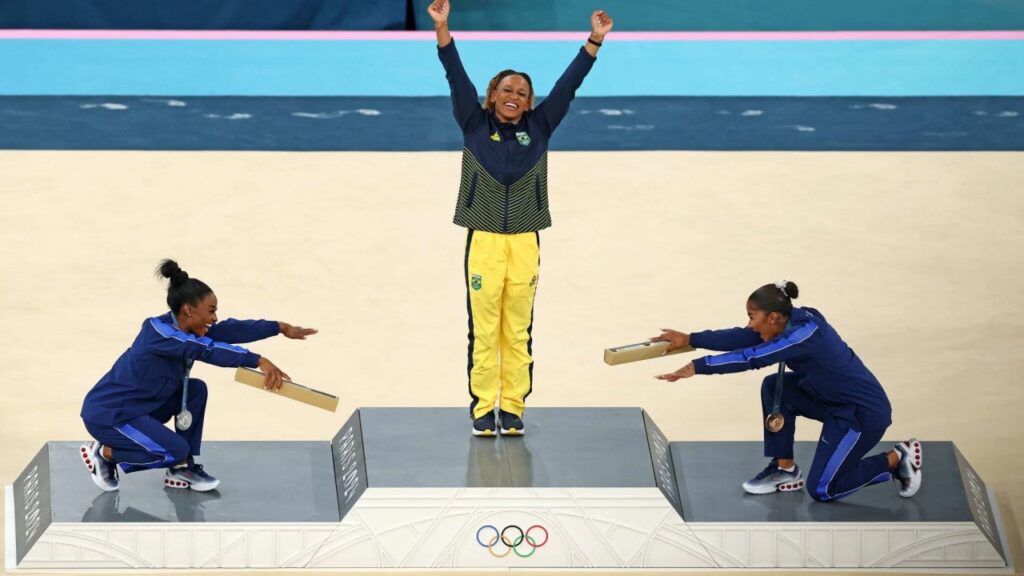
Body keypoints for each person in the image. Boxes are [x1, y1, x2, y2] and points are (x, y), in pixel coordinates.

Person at [428, 0, 613, 437]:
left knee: (517, 330)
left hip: (526, 241)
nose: (515, 97)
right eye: (507, 90)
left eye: (523, 93)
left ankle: (512, 408)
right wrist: (443, 28)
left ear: (530, 104)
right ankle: (482, 407)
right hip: (484, 242)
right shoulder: (473, 123)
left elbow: (568, 86)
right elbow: (455, 75)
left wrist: (594, 40)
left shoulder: (541, 127)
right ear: (492, 95)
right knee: (484, 329)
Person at [652, 281, 923, 501]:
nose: (749, 324)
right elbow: (744, 337)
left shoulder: (803, 334)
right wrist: (690, 339)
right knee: (774, 387)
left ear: (772, 317)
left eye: (752, 317)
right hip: (829, 400)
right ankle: (785, 470)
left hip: (861, 415)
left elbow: (751, 357)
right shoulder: (786, 321)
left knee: (823, 489)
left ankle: (897, 458)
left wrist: (697, 367)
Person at [79, 259, 317, 492]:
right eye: (211, 311)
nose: (214, 318)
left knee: (196, 390)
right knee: (174, 450)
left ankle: (181, 468)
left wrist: (279, 327)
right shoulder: (158, 332)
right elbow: (205, 349)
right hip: (110, 414)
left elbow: (231, 329)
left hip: (142, 407)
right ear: (188, 310)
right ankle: (104, 452)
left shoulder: (190, 328)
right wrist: (259, 361)